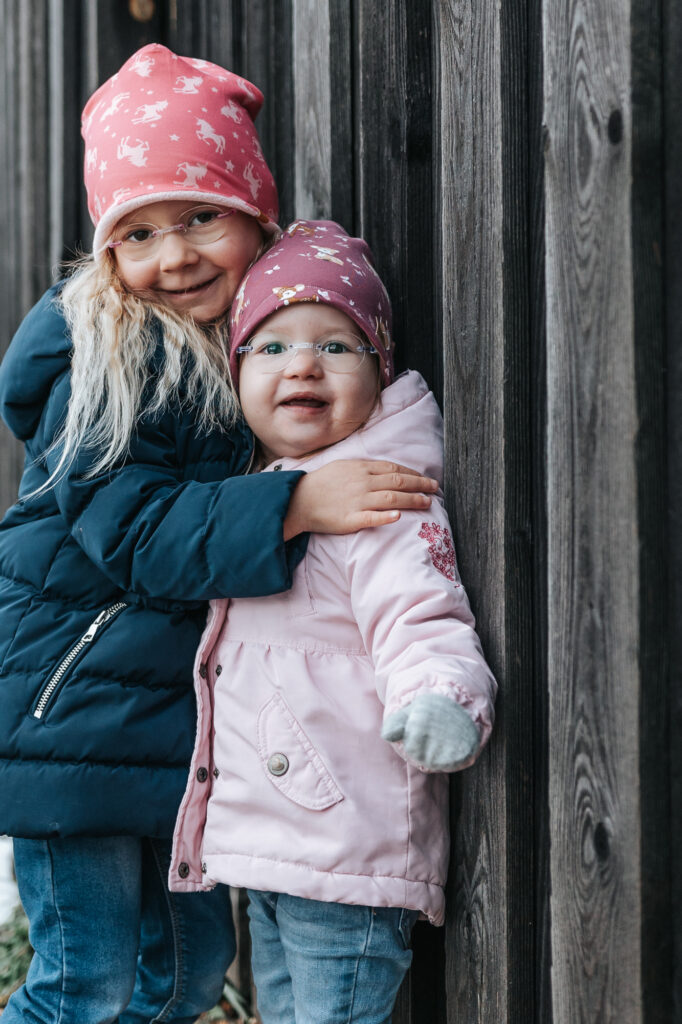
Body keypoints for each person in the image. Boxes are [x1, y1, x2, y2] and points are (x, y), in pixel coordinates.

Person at [0, 49, 437, 1024]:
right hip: (67, 706)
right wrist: (293, 505)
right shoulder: (105, 362)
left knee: (189, 975)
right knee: (86, 977)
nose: (176, 255)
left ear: (254, 214)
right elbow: (137, 533)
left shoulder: (246, 344)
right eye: (141, 232)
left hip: (170, 724)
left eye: (201, 217)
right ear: (108, 252)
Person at [170, 220, 497, 1024]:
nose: (304, 364)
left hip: (347, 846)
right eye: (271, 348)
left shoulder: (379, 498)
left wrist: (442, 697)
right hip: (274, 848)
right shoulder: (266, 495)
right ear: (236, 374)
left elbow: (422, 614)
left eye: (338, 346)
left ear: (380, 374)